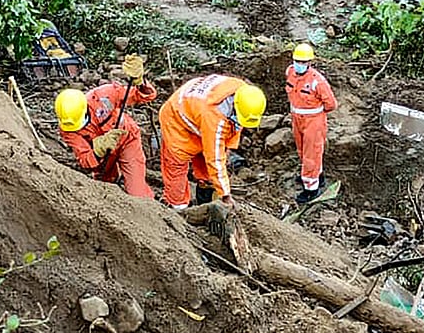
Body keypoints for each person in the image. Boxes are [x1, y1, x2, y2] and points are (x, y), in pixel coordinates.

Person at [55, 54, 157, 199]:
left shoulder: (105, 95)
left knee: (137, 193)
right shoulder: (67, 128)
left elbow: (143, 96)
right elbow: (85, 160)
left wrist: (139, 82)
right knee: (105, 189)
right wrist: (98, 150)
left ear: (85, 108)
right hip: (104, 155)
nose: (77, 128)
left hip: (127, 140)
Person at [158, 74, 266, 210]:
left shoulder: (245, 94)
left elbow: (223, 142)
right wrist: (226, 195)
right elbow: (214, 158)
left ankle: (206, 197)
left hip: (195, 110)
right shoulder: (214, 118)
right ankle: (177, 207)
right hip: (176, 118)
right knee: (177, 164)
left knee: (207, 170)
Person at [286, 43, 338, 204]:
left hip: (313, 121)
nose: (299, 65)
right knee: (303, 151)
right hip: (297, 118)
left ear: (309, 63)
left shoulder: (317, 82)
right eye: (297, 61)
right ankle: (316, 176)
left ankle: (311, 189)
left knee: (311, 154)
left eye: (303, 62)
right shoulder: (290, 73)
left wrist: (314, 114)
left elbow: (331, 104)